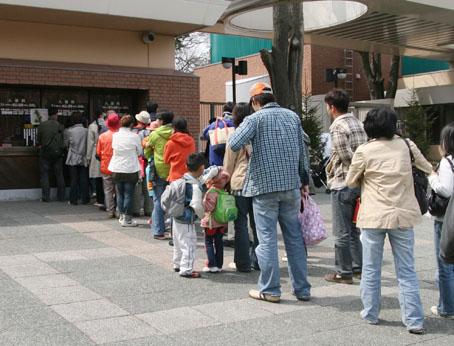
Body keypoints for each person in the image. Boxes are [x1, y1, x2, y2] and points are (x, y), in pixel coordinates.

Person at [346, 108, 432, 334]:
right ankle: (413, 320)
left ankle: (371, 313)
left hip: (373, 215)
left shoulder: (365, 150)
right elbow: (426, 167)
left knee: (371, 268)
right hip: (402, 215)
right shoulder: (406, 145)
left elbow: (351, 182)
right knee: (406, 270)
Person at [228, 82, 311, 303]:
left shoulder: (254, 119)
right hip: (291, 186)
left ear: (254, 101)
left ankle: (271, 290)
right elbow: (304, 148)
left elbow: (234, 143)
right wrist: (304, 179)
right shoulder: (292, 117)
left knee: (266, 240)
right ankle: (302, 289)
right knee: (294, 238)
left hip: (264, 188)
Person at [324, 88, 367, 284]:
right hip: (360, 184)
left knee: (341, 231)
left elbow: (345, 155)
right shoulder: (358, 122)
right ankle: (358, 268)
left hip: (343, 182)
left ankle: (343, 272)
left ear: (332, 107)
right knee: (354, 230)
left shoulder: (338, 126)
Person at [224, 102, 259, 272]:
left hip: (239, 182)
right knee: (258, 224)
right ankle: (259, 260)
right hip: (259, 183)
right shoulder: (259, 133)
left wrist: (224, 181)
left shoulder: (235, 135)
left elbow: (228, 164)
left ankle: (243, 263)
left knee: (240, 225)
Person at [165, 152, 206, 278]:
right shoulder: (195, 186)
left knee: (177, 243)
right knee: (189, 244)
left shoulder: (181, 181)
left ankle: (177, 264)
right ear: (202, 168)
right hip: (187, 219)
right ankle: (186, 269)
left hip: (176, 217)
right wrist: (203, 216)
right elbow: (197, 205)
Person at [428, 122, 454, 319]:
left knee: (445, 265)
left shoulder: (448, 162)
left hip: (446, 219)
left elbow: (445, 190)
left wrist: (432, 178)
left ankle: (446, 307)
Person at [108, 115, 142, 227]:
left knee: (119, 193)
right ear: (132, 124)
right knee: (128, 194)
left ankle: (122, 215)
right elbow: (139, 151)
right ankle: (127, 218)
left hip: (117, 166)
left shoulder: (115, 136)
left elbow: (114, 148)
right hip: (130, 167)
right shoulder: (135, 136)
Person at [146, 109, 174, 239]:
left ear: (161, 121)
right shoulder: (175, 132)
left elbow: (147, 150)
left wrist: (149, 156)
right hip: (173, 170)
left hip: (158, 170)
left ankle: (159, 231)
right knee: (175, 200)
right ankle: (174, 231)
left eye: (157, 119)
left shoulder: (155, 134)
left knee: (158, 200)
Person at [201, 167, 230, 273]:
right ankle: (219, 264)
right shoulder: (223, 191)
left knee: (208, 242)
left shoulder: (211, 192)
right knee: (219, 243)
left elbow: (208, 208)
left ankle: (211, 264)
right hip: (221, 222)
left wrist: (203, 203)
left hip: (211, 223)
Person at [37, 107, 66, 202]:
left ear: (48, 115)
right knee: (59, 175)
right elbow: (63, 141)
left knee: (44, 175)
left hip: (45, 153)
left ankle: (46, 197)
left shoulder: (42, 125)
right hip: (57, 154)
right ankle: (61, 197)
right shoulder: (60, 126)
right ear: (56, 114)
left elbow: (39, 140)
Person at [97, 113, 120, 218]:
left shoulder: (102, 136)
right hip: (118, 166)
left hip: (106, 166)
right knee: (119, 189)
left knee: (108, 189)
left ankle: (110, 210)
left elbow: (98, 152)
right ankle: (119, 210)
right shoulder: (120, 136)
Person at [65, 111, 89, 205]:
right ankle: (85, 199)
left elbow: (66, 144)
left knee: (73, 179)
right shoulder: (86, 131)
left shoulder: (69, 131)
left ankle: (73, 200)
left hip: (73, 156)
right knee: (84, 179)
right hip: (83, 156)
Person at [131, 110, 153, 218]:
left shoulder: (133, 132)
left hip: (136, 162)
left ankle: (136, 209)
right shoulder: (151, 132)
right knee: (148, 186)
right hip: (148, 162)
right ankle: (149, 209)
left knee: (137, 187)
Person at [164, 117, 196, 182]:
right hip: (189, 177)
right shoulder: (191, 140)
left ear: (174, 128)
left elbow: (166, 161)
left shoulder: (170, 143)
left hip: (175, 178)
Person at [87, 108, 106, 207]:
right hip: (107, 152)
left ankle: (100, 200)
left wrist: (88, 157)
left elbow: (90, 143)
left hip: (96, 151)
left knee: (98, 177)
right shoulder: (107, 125)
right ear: (103, 114)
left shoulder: (92, 126)